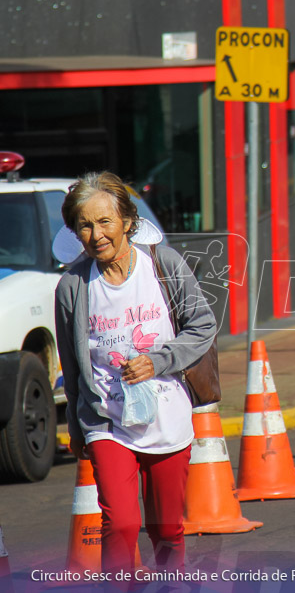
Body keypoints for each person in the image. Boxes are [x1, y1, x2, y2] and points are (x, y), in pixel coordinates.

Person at [54, 172, 217, 581]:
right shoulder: (72, 286)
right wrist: (76, 425)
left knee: (167, 530)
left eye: (105, 222)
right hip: (107, 420)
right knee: (122, 524)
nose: (96, 235)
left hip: (166, 414)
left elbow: (202, 325)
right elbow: (72, 367)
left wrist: (159, 361)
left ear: (127, 220)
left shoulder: (163, 265)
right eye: (85, 225)